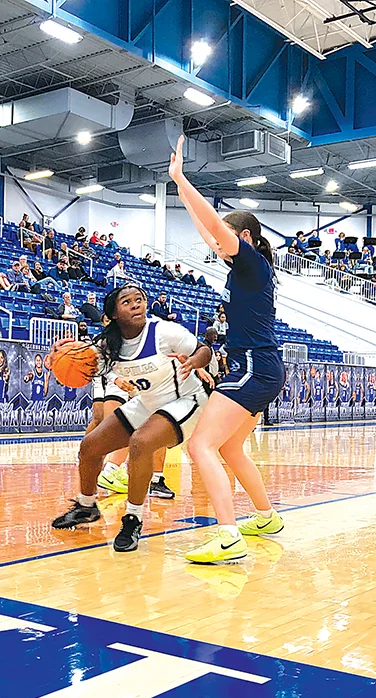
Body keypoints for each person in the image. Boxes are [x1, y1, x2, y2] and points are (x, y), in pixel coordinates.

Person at [169, 134, 286, 564]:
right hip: (262, 367)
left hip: (254, 368)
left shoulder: (252, 263)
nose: (218, 246)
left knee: (200, 446)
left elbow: (216, 227)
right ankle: (266, 516)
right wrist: (177, 186)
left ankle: (227, 535)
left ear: (248, 237)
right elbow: (210, 232)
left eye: (229, 239)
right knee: (231, 447)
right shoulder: (244, 266)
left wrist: (185, 177)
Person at [51, 284, 210, 551]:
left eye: (139, 299)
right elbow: (88, 365)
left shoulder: (164, 331)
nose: (136, 304)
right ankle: (86, 506)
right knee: (90, 446)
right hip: (148, 403)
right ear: (113, 314)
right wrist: (58, 354)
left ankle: (133, 518)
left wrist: (194, 362)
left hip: (187, 399)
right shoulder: (107, 344)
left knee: (140, 442)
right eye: (127, 302)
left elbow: (204, 349)